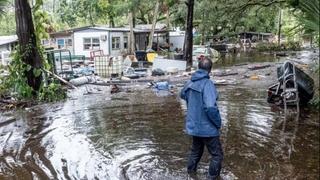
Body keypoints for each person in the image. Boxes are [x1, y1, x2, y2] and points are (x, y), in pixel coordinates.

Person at [180, 58, 223, 179]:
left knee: (195, 152)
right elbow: (210, 107)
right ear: (210, 70)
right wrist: (218, 123)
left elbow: (182, 94)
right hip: (208, 129)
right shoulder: (207, 84)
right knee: (217, 155)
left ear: (198, 67)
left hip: (194, 127)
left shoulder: (190, 82)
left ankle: (190, 174)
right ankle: (212, 177)